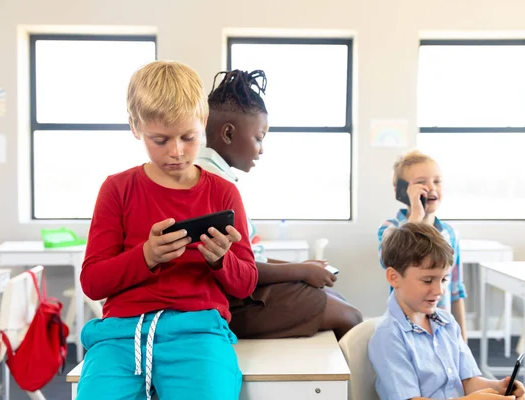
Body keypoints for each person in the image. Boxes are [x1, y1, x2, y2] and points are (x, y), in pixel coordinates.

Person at [77, 61, 258, 400]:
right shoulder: (117, 189)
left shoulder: (223, 192)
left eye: (188, 138)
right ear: (135, 127)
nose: (176, 151)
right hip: (120, 336)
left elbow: (246, 282)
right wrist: (146, 256)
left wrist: (221, 260)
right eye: (160, 140)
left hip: (198, 333)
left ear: (203, 123)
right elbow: (93, 282)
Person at [195, 69, 362, 340]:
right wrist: (300, 270)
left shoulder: (218, 177)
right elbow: (238, 271)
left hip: (242, 292)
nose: (261, 150)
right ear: (228, 133)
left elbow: (246, 256)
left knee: (333, 296)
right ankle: (349, 384)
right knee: (351, 316)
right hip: (235, 304)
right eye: (259, 138)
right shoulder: (213, 184)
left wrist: (301, 267)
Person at [369, 222, 525, 400]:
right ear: (394, 277)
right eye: (428, 280)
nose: (439, 291)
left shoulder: (446, 322)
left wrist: (498, 387)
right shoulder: (389, 336)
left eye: (444, 279)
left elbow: (467, 382)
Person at [377, 149, 468, 340]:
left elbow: (455, 290)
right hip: (406, 330)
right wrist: (417, 216)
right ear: (401, 191)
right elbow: (395, 257)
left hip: (442, 331)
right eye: (421, 182)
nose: (431, 187)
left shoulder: (450, 234)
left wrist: (463, 340)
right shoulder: (390, 230)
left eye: (437, 181)